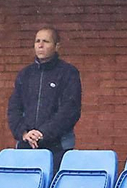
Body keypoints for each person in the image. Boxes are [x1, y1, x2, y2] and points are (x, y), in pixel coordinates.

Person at [6, 26, 83, 171]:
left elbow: (70, 110)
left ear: (57, 46)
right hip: (26, 146)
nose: (40, 45)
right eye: (37, 41)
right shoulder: (25, 75)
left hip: (58, 148)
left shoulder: (68, 73)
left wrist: (43, 133)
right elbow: (14, 109)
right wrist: (23, 133)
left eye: (46, 41)